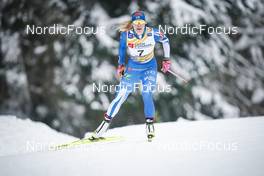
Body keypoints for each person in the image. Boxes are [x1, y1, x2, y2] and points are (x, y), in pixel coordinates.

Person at [90, 11, 171, 141]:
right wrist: (121, 65)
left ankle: (150, 125)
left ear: (145, 23)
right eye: (136, 23)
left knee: (146, 92)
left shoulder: (153, 33)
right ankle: (103, 126)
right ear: (132, 24)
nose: (139, 25)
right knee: (122, 94)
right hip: (133, 67)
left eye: (141, 23)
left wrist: (166, 59)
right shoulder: (126, 35)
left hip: (149, 67)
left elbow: (166, 40)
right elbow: (121, 50)